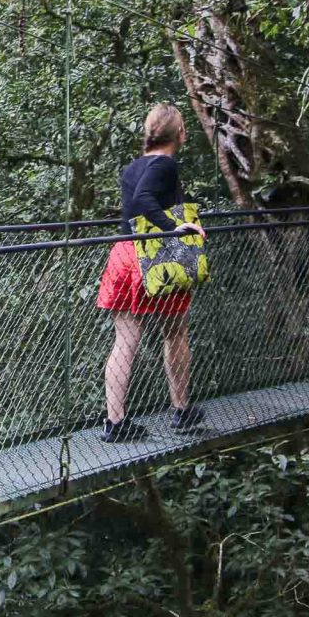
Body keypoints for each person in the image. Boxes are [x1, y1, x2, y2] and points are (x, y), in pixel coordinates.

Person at [97, 103, 205, 441]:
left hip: (124, 255)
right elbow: (145, 198)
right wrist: (173, 228)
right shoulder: (166, 164)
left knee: (125, 341)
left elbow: (134, 201)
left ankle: (115, 422)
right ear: (180, 134)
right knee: (176, 332)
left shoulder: (133, 166)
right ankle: (181, 409)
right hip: (156, 259)